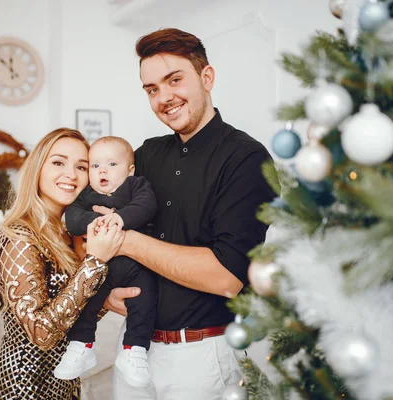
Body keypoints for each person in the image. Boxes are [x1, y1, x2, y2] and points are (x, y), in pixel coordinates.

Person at [100, 28, 276, 399]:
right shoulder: (145, 155)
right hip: (134, 350)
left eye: (174, 80)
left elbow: (226, 277)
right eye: (151, 89)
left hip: (201, 359)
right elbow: (97, 219)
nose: (164, 98)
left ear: (206, 77)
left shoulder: (247, 159)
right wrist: (103, 294)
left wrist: (128, 241)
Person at [0, 128, 127, 400]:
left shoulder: (63, 233)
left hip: (63, 387)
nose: (71, 174)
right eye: (58, 162)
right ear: (38, 168)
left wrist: (106, 302)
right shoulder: (20, 235)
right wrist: (95, 261)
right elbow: (42, 334)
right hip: (23, 389)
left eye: (81, 166)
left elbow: (66, 318)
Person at [53, 136, 158, 388]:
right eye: (95, 165)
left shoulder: (136, 186)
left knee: (145, 302)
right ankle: (81, 346)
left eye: (112, 164)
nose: (102, 170)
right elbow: (73, 217)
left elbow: (147, 206)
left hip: (137, 267)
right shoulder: (87, 195)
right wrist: (94, 221)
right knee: (86, 302)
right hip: (102, 269)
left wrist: (120, 218)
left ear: (129, 170)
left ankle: (134, 350)